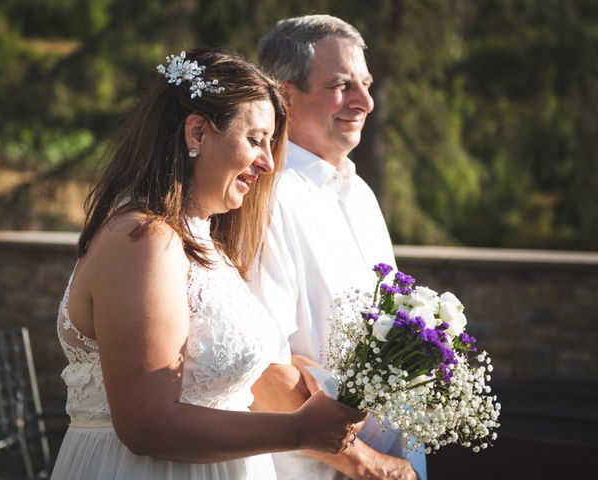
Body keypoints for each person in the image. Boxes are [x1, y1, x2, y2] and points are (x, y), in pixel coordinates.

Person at [50, 47, 367, 480]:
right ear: (197, 132)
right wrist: (297, 431)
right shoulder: (143, 239)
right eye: (256, 140)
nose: (268, 162)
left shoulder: (202, 240)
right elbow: (147, 425)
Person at [248, 15, 427, 480]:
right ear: (284, 96)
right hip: (305, 469)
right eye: (342, 85)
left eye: (365, 84)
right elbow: (260, 368)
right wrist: (365, 466)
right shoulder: (261, 197)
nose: (365, 101)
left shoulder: (360, 193)